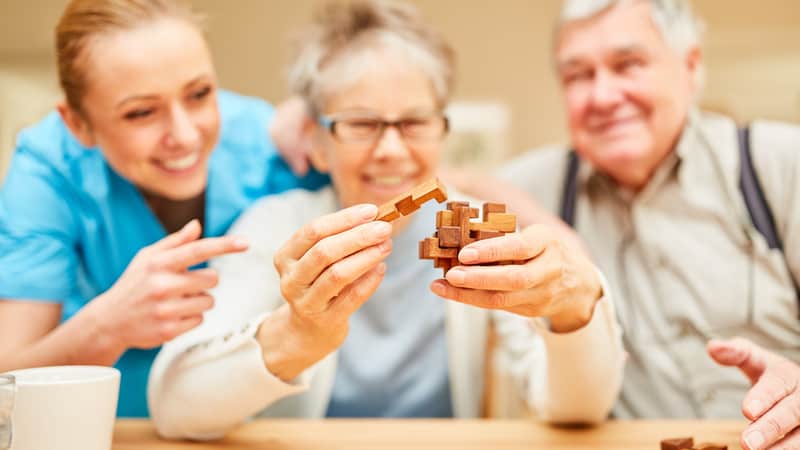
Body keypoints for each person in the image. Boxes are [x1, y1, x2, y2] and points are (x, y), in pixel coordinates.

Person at [147, 0, 625, 440]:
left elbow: (577, 411)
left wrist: (574, 305)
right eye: (361, 124)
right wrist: (298, 335)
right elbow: (175, 408)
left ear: (442, 131)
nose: (392, 150)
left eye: (415, 122)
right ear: (315, 141)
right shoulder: (276, 226)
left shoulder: (476, 232)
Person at [457, 1, 799, 449]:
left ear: (691, 67)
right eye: (578, 75)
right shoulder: (527, 195)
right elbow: (428, 181)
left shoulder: (779, 164)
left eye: (629, 64)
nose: (602, 96)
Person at [0, 0, 326, 417]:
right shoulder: (49, 172)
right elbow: (7, 386)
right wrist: (106, 326)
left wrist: (325, 120)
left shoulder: (266, 145)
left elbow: (412, 178)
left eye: (200, 94)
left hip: (237, 431)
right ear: (77, 124)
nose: (185, 135)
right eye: (140, 113)